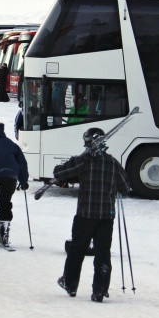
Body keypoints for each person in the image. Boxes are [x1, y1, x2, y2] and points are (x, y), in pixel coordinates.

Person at [54, 127, 131, 303]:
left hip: (85, 215)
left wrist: (74, 161)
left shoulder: (83, 161)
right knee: (103, 252)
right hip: (106, 216)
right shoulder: (112, 162)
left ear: (88, 142)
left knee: (77, 249)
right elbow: (126, 187)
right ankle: (100, 290)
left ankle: (70, 283)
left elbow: (59, 173)